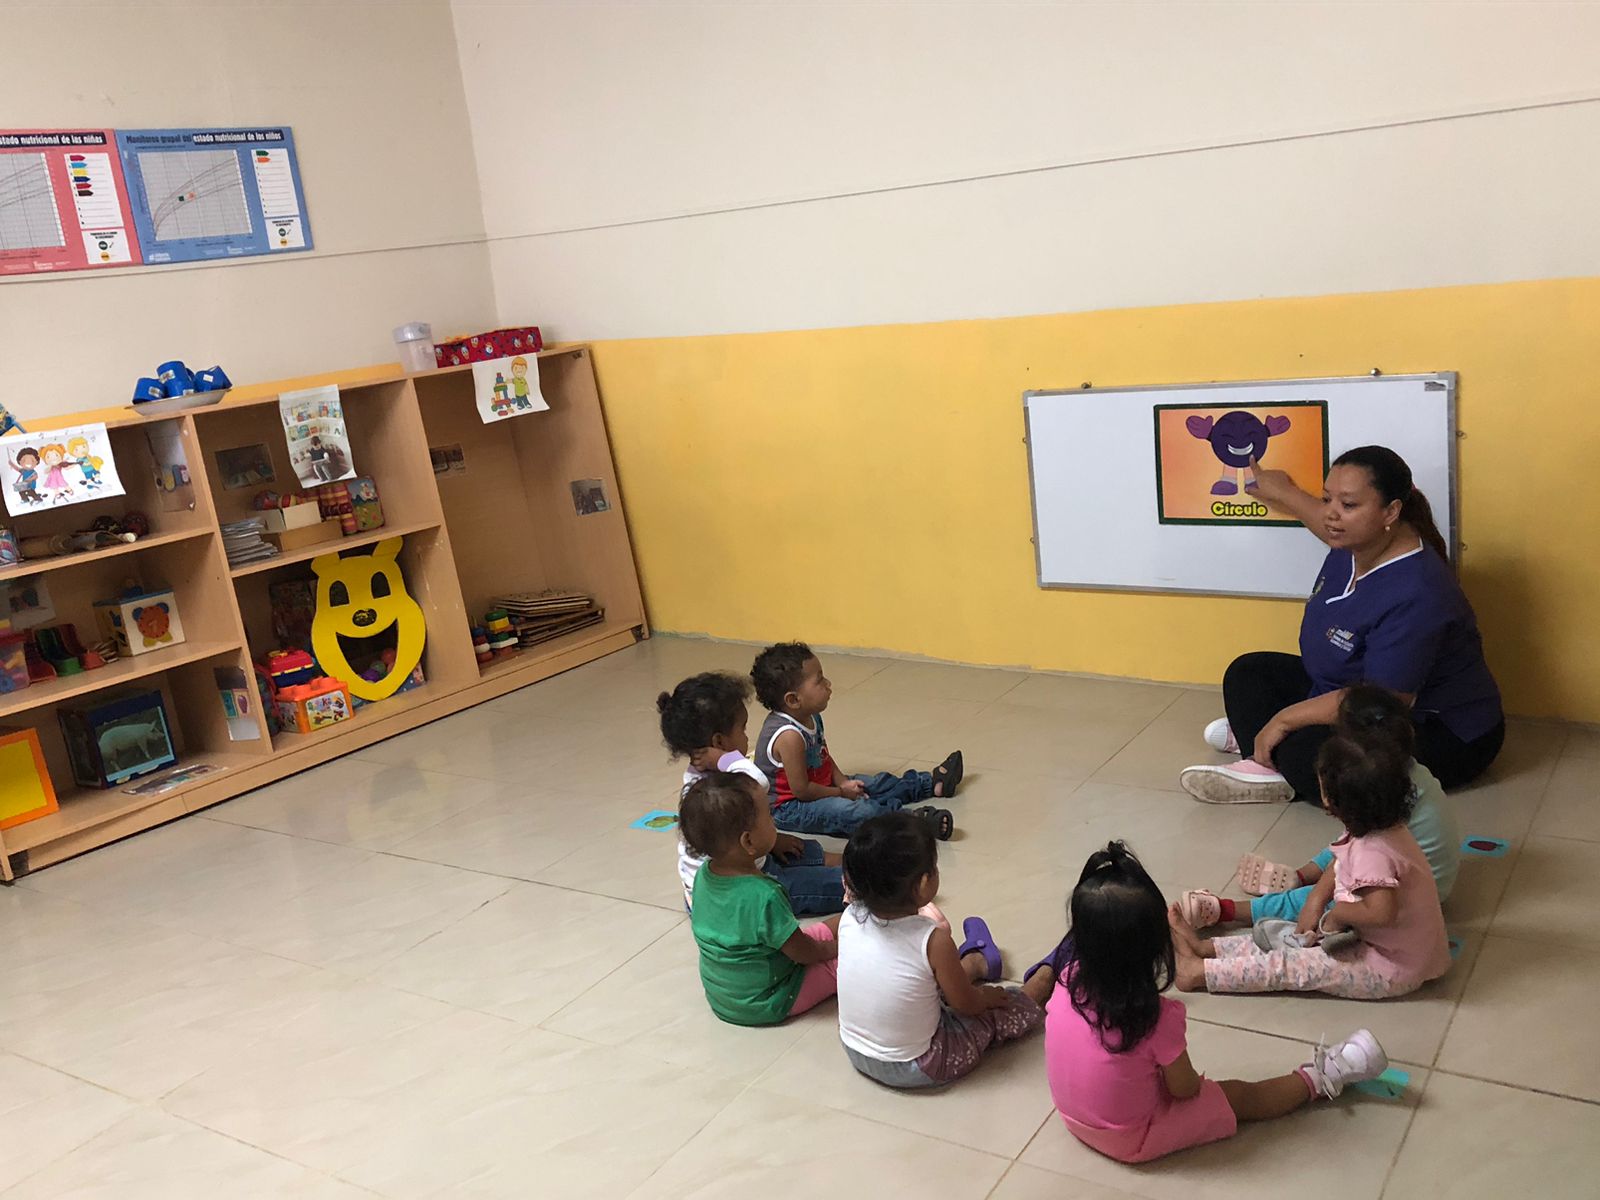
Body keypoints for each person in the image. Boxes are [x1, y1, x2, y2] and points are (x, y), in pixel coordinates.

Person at [1179, 445, 1503, 805]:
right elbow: (1318, 517)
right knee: (1250, 672)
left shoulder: (1418, 591)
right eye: (1327, 499)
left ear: (1391, 511)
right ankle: (1268, 752)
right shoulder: (1358, 539)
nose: (1331, 514)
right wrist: (1282, 490)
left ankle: (1270, 758)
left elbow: (1381, 702)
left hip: (1438, 731)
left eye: (1348, 505)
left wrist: (1284, 720)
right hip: (1350, 693)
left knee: (1315, 751)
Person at [1045, 842, 1392, 1163]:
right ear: (1153, 948)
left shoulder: (1066, 978)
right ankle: (1322, 1076)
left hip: (1074, 1118)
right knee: (1242, 1096)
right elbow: (1185, 1090)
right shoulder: (1153, 1018)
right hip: (1133, 1137)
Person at [1170, 732, 1451, 999]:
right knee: (1292, 936)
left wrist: (1338, 914)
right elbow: (1341, 859)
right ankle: (1207, 949)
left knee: (1292, 966)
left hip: (1391, 967)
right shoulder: (1379, 822)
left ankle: (1199, 973)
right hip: (1388, 945)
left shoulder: (1373, 852)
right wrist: (1316, 900)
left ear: (1330, 799)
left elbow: (1381, 912)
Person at [1179, 684, 1460, 929]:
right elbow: (1349, 845)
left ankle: (1230, 911)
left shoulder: (1379, 803)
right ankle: (1300, 876)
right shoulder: (1400, 776)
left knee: (1311, 900)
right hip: (1416, 874)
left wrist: (1319, 900)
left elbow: (1358, 864)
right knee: (1340, 848)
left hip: (1408, 897)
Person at [835, 813, 1056, 1088]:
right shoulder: (933, 941)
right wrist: (985, 997)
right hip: (920, 1065)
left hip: (856, 1051)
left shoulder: (849, 917)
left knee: (919, 979)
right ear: (923, 884)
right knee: (995, 1010)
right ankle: (1042, 983)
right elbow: (966, 1005)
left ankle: (976, 963)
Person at [657, 672, 845, 916]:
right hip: (735, 895)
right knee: (829, 885)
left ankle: (845, 862)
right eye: (743, 729)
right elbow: (759, 782)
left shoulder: (705, 775)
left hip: (747, 858)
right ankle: (859, 878)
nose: (747, 737)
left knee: (801, 849)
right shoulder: (716, 789)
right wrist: (727, 759)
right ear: (719, 743)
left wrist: (774, 840)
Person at [750, 641, 960, 839]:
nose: (828, 683)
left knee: (874, 784)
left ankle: (930, 784)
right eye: (819, 680)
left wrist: (842, 781)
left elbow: (823, 757)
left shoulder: (810, 716)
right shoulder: (789, 736)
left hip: (820, 785)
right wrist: (841, 793)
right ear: (794, 699)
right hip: (791, 808)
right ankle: (909, 822)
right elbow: (802, 790)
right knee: (855, 811)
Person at [681, 771, 842, 1027]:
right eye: (768, 816)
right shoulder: (765, 894)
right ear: (748, 841)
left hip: (726, 996)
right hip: (770, 998)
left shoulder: (703, 875)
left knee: (832, 926)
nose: (773, 822)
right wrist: (835, 949)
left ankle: (854, 922)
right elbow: (803, 952)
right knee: (844, 963)